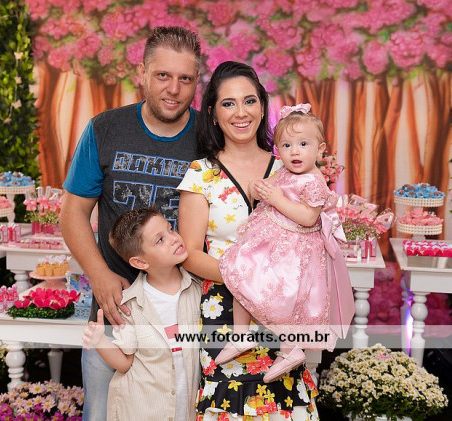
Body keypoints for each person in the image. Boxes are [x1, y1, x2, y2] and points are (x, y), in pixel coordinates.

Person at [60, 26, 201, 421]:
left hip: (188, 317)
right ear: (142, 73)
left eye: (185, 79)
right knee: (103, 413)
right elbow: (72, 213)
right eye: (163, 75)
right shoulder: (105, 129)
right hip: (116, 315)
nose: (173, 89)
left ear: (197, 82)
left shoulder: (209, 135)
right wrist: (99, 274)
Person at [178, 61, 319, 421]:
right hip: (226, 312)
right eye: (229, 103)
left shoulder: (290, 167)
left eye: (249, 101)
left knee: (284, 404)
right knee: (229, 405)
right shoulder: (201, 174)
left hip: (282, 316)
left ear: (262, 106)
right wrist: (250, 281)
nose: (241, 112)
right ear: (212, 113)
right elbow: (189, 254)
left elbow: (312, 234)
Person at [215, 104, 355, 383]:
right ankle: (241, 335)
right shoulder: (285, 172)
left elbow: (309, 217)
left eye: (303, 144)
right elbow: (270, 186)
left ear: (320, 149)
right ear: (278, 150)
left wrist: (276, 199)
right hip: (274, 242)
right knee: (241, 272)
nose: (295, 152)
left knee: (289, 298)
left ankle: (289, 349)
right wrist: (260, 188)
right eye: (287, 145)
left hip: (296, 252)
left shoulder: (314, 180)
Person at [82, 206, 201, 421]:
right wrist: (100, 341)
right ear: (140, 262)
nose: (174, 238)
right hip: (144, 411)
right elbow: (125, 362)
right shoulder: (130, 305)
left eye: (171, 229)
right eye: (160, 240)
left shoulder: (198, 288)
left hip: (188, 410)